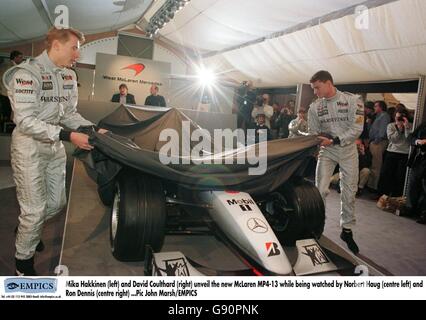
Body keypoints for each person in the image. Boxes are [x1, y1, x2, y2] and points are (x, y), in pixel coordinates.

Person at [2, 27, 107, 276]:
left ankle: (28, 228)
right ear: (56, 46)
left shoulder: (68, 76)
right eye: (74, 48)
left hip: (54, 146)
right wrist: (68, 136)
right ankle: (22, 265)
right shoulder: (26, 74)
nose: (77, 55)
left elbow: (68, 115)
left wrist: (92, 130)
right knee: (35, 210)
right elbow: (25, 121)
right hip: (29, 147)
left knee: (57, 203)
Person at [307, 70, 364, 254]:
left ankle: (346, 230)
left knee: (349, 191)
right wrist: (318, 141)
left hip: (348, 152)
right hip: (327, 151)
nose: (315, 92)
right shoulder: (314, 107)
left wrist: (335, 139)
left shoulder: (353, 100)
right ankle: (317, 227)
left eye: (317, 87)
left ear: (328, 83)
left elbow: (357, 128)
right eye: (313, 89)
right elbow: (314, 132)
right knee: (320, 190)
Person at [402, 121, 426, 224]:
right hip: (420, 158)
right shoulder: (424, 124)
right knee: (413, 183)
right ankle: (410, 208)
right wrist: (417, 141)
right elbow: (411, 137)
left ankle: (424, 214)